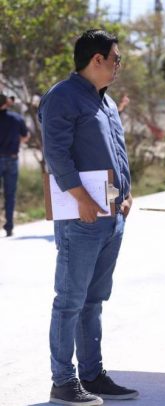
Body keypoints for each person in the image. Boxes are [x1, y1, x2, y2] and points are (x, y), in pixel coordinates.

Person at [39, 29, 137, 406]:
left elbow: (112, 155)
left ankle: (92, 375)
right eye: (116, 59)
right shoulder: (63, 97)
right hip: (81, 219)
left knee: (94, 301)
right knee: (70, 301)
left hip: (111, 217)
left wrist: (125, 196)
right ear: (97, 59)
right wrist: (78, 196)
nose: (118, 66)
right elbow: (58, 154)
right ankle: (63, 381)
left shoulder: (105, 101)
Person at [0, 93, 30, 237]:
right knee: (10, 195)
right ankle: (9, 227)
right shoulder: (16, 118)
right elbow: (26, 136)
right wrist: (15, 142)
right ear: (6, 103)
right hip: (11, 158)